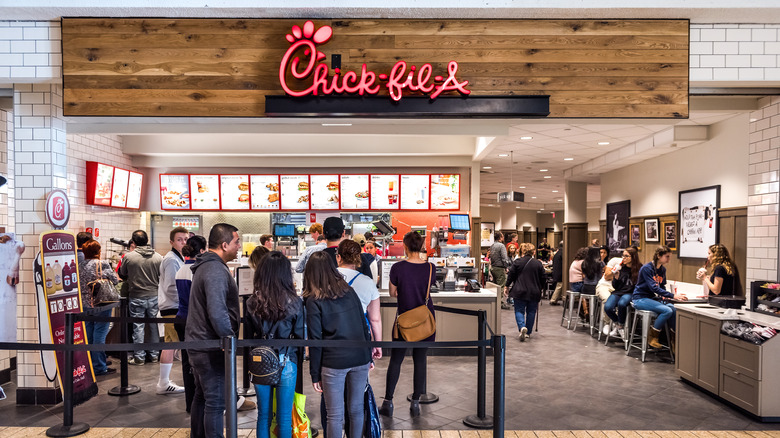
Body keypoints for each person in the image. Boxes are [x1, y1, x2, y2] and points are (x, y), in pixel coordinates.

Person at [304, 251, 371, 438]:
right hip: (360, 357)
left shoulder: (313, 300)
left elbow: (315, 340)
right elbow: (362, 324)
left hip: (333, 362)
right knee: (356, 409)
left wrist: (315, 374)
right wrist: (368, 355)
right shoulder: (348, 291)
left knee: (334, 415)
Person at [187, 223, 242, 438]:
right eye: (237, 242)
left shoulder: (206, 265)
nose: (239, 246)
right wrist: (228, 339)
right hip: (210, 346)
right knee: (216, 401)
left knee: (202, 396)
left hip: (198, 343)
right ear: (224, 244)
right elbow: (217, 311)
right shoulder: (215, 270)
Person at [246, 251, 305, 438]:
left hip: (260, 361)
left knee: (263, 415)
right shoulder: (295, 302)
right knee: (284, 418)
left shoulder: (251, 302)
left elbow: (248, 338)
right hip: (287, 361)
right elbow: (300, 337)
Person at [380, 231, 435, 418]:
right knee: (420, 360)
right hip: (425, 320)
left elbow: (392, 293)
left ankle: (388, 402)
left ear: (404, 245)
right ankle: (416, 403)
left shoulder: (397, 267)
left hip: (403, 320)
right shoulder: (430, 267)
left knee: (396, 360)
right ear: (420, 247)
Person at [118, 230, 163, 365]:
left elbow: (122, 273)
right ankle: (154, 355)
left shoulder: (129, 257)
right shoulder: (158, 257)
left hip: (136, 296)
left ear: (133, 242)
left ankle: (139, 357)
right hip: (154, 295)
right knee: (153, 326)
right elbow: (162, 275)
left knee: (138, 326)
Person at [174, 235, 207, 414]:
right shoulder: (197, 271)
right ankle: (200, 404)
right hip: (193, 321)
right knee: (200, 364)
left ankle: (190, 404)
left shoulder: (181, 269)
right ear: (202, 250)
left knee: (187, 364)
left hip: (181, 317)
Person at [632, 246, 688, 349]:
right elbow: (654, 288)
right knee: (667, 311)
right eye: (667, 257)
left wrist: (668, 298)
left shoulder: (662, 269)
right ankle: (652, 337)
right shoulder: (646, 268)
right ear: (659, 256)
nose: (669, 259)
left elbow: (662, 287)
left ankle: (674, 340)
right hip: (640, 298)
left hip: (652, 298)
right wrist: (673, 295)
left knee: (674, 309)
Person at [337, 239, 382, 362]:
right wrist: (377, 345)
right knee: (359, 379)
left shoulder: (325, 279)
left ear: (338, 257)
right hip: (359, 338)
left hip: (332, 339)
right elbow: (375, 319)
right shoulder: (367, 282)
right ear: (358, 258)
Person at [156, 226, 188, 395]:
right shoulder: (170, 259)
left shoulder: (178, 258)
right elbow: (171, 287)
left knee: (174, 344)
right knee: (170, 344)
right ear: (171, 242)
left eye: (185, 239)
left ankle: (167, 380)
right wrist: (186, 296)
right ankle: (163, 383)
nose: (183, 242)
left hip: (175, 306)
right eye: (179, 240)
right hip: (172, 307)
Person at [79, 240, 118, 376]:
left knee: (89, 334)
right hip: (100, 304)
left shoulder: (79, 265)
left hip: (84, 304)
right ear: (98, 252)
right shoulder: (102, 264)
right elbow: (115, 280)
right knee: (100, 334)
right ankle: (100, 367)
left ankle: (90, 363)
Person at [505, 243, 546, 342]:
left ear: (522, 251)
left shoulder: (517, 262)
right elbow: (543, 278)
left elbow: (511, 275)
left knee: (519, 310)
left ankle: (522, 327)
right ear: (534, 252)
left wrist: (506, 286)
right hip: (534, 291)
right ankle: (528, 332)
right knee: (531, 311)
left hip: (520, 290)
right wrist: (541, 288)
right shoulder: (538, 263)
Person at [602, 247, 640, 338]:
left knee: (622, 303)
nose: (624, 258)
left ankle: (620, 325)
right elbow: (615, 286)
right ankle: (619, 325)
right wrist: (616, 278)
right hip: (618, 292)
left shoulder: (639, 268)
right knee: (608, 307)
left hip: (631, 293)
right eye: (623, 256)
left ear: (633, 257)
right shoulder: (620, 268)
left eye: (626, 256)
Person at [488, 231, 511, 309]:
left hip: (493, 268)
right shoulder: (501, 246)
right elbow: (504, 258)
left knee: (495, 287)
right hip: (500, 268)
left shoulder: (492, 245)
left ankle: (495, 302)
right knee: (501, 286)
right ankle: (500, 303)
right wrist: (506, 267)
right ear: (501, 237)